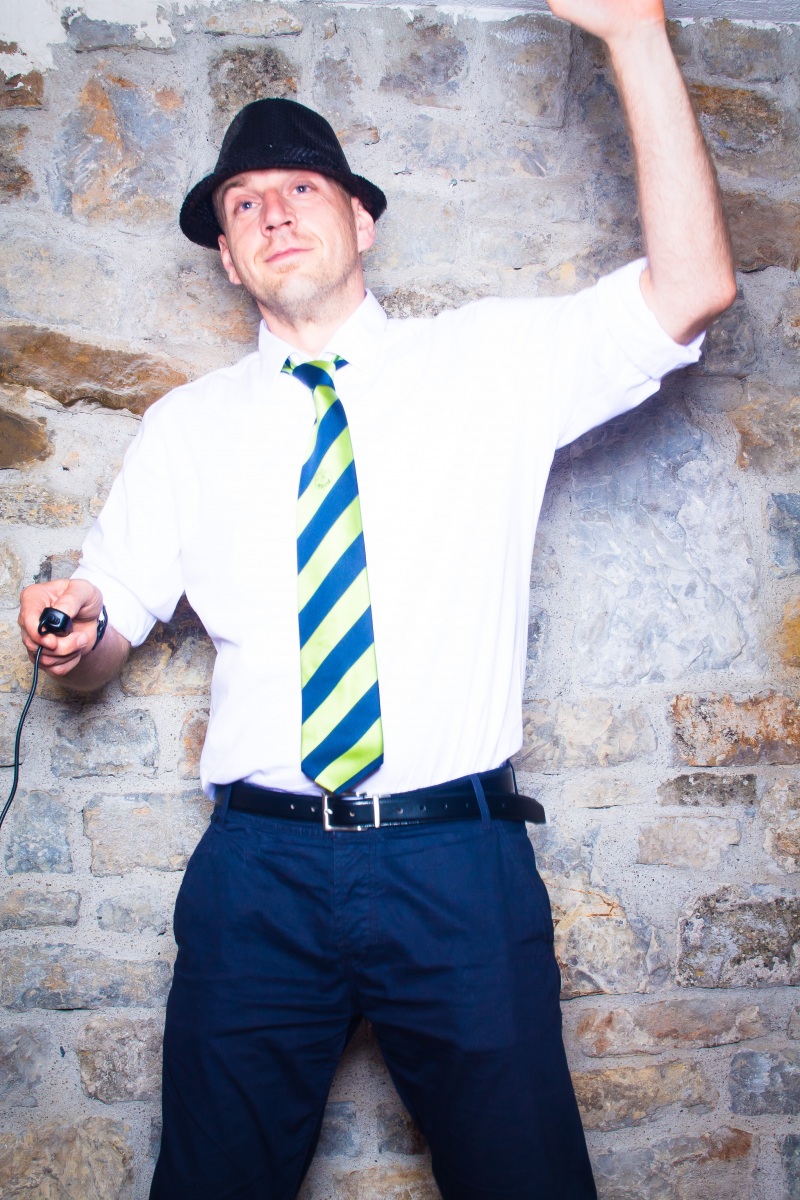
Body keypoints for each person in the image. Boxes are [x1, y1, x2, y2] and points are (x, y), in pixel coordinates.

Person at [18, 0, 735, 1196]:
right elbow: (106, 636)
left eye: (299, 189)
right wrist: (74, 631)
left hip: (452, 864)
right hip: (256, 874)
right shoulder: (184, 430)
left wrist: (632, 35)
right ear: (227, 257)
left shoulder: (488, 365)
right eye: (241, 205)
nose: (270, 213)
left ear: (358, 219)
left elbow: (695, 284)